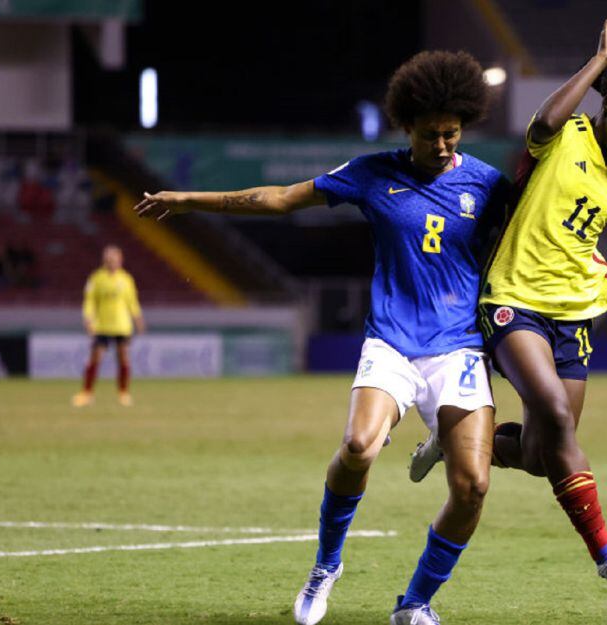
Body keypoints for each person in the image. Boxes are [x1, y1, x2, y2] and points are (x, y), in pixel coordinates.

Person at [136, 50, 510, 625]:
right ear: (406, 125)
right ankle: (325, 566)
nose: (442, 145)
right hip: (392, 342)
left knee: (474, 487)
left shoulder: (485, 184)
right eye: (431, 134)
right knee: (359, 447)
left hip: (457, 346)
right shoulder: (372, 173)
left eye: (452, 134)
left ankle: (414, 605)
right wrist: (189, 201)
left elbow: (548, 239)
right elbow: (281, 198)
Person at [414, 16, 607, 590]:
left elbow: (577, 248)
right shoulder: (564, 136)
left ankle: (452, 437)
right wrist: (600, 63)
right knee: (556, 417)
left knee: (540, 453)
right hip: (513, 301)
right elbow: (541, 120)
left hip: (574, 315)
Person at [72, 245, 145, 407]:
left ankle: (123, 393)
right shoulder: (96, 278)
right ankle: (87, 393)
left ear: (120, 260)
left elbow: (132, 302)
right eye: (108, 259)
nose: (111, 262)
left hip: (121, 326)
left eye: (114, 259)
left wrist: (138, 319)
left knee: (123, 358)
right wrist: (88, 318)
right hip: (102, 326)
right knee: (95, 358)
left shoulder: (126, 279)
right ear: (104, 260)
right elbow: (89, 300)